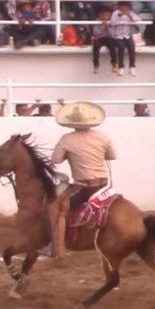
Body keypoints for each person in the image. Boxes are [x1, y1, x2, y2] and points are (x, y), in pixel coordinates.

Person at [49, 101, 115, 260]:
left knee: (57, 210)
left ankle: (60, 252)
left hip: (84, 187)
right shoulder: (102, 137)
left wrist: (68, 155)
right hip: (104, 185)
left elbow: (55, 160)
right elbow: (112, 156)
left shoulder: (67, 139)